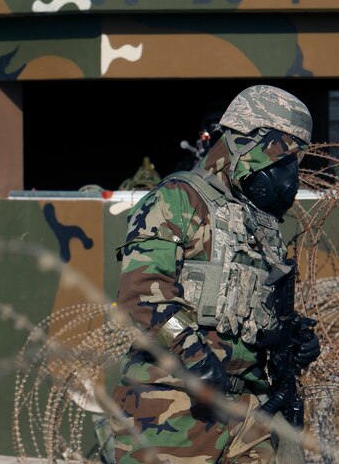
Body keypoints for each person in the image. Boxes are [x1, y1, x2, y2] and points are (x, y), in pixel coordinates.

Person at [109, 85, 321, 462]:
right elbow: (140, 297)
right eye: (281, 152)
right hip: (173, 411)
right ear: (246, 141)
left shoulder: (262, 224)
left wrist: (289, 341)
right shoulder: (178, 199)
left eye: (294, 159)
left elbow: (255, 316)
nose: (288, 172)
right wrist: (195, 357)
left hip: (248, 412)